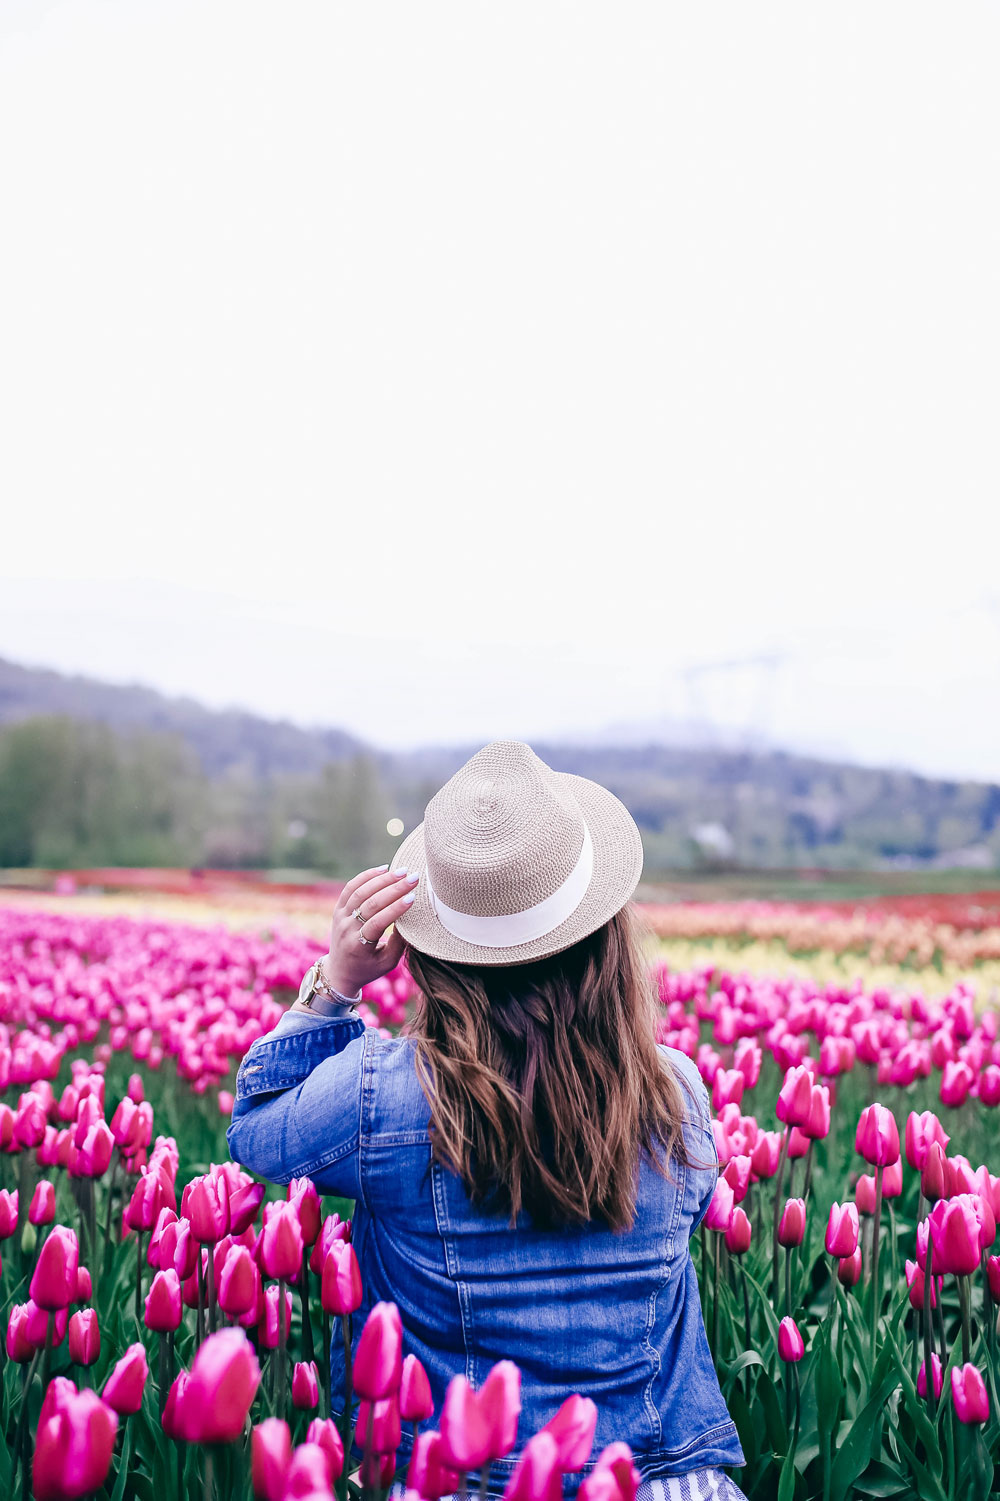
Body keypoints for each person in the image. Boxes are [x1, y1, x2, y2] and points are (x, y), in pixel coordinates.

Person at [227, 740, 747, 1500]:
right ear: (607, 936)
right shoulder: (677, 1096)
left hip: (457, 1480)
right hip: (661, 1478)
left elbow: (258, 1130)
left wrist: (334, 985)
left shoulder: (384, 1094)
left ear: (430, 951)